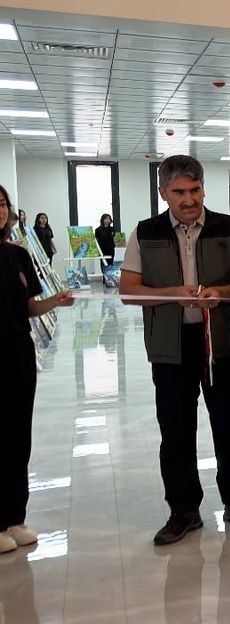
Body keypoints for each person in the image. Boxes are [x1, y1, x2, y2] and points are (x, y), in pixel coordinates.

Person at [118, 154, 230, 545]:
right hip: (170, 347)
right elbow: (128, 290)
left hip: (222, 344)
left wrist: (222, 292)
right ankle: (184, 511)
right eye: (179, 191)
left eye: (195, 190)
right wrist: (172, 294)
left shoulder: (229, 228)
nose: (188, 199)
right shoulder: (145, 233)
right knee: (176, 430)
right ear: (163, 192)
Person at [0, 185, 74, 554]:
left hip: (17, 354)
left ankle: (15, 517)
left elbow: (29, 307)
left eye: (2, 204)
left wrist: (54, 302)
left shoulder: (18, 255)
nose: (0, 210)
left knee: (18, 436)